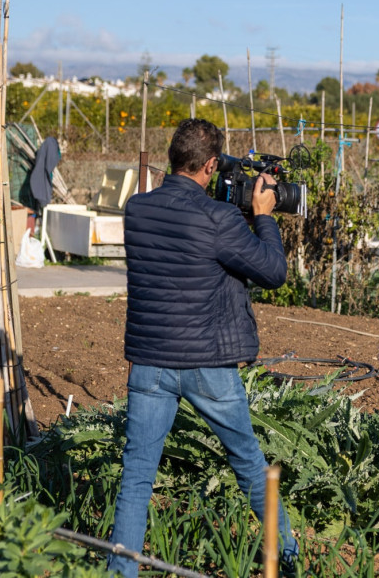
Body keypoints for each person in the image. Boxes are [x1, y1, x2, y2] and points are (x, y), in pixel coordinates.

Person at [106, 119, 297, 577]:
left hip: (150, 361)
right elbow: (272, 271)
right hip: (207, 364)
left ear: (174, 157)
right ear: (212, 164)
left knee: (136, 478)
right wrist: (264, 215)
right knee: (248, 463)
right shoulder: (219, 218)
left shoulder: (137, 209)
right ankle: (288, 560)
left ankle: (121, 572)